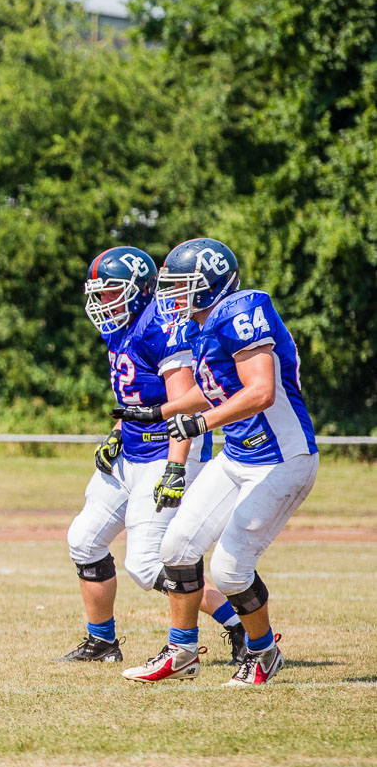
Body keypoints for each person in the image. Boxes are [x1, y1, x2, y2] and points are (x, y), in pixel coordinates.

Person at [116, 238, 319, 686]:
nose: (172, 295)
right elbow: (214, 386)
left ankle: (263, 654)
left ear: (210, 285)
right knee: (176, 548)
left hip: (281, 459)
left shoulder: (243, 310)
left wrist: (201, 423)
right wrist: (161, 411)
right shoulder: (202, 326)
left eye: (181, 285)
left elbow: (260, 390)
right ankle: (182, 652)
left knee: (229, 570)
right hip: (239, 455)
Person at [60, 247, 244, 664]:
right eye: (99, 294)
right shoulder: (121, 329)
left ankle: (238, 624)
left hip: (167, 450)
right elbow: (135, 396)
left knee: (146, 565)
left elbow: (185, 404)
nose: (102, 303)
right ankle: (102, 642)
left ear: (141, 290)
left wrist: (177, 468)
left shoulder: (160, 327)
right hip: (134, 451)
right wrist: (117, 433)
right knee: (84, 541)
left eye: (111, 293)